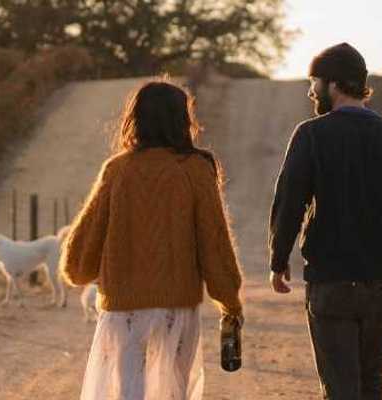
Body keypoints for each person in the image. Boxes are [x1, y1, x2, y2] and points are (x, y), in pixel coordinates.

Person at [268, 42, 382, 400]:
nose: (310, 90)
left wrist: (278, 259)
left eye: (313, 82)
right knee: (370, 380)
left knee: (340, 386)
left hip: (330, 283)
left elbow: (290, 202)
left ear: (332, 84)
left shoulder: (311, 135)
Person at [61, 81, 244, 400]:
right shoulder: (195, 168)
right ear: (182, 119)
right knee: (173, 391)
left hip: (123, 311)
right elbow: (213, 242)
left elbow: (80, 257)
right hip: (177, 307)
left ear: (136, 118)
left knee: (129, 392)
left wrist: (80, 269)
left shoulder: (117, 169)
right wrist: (229, 300)